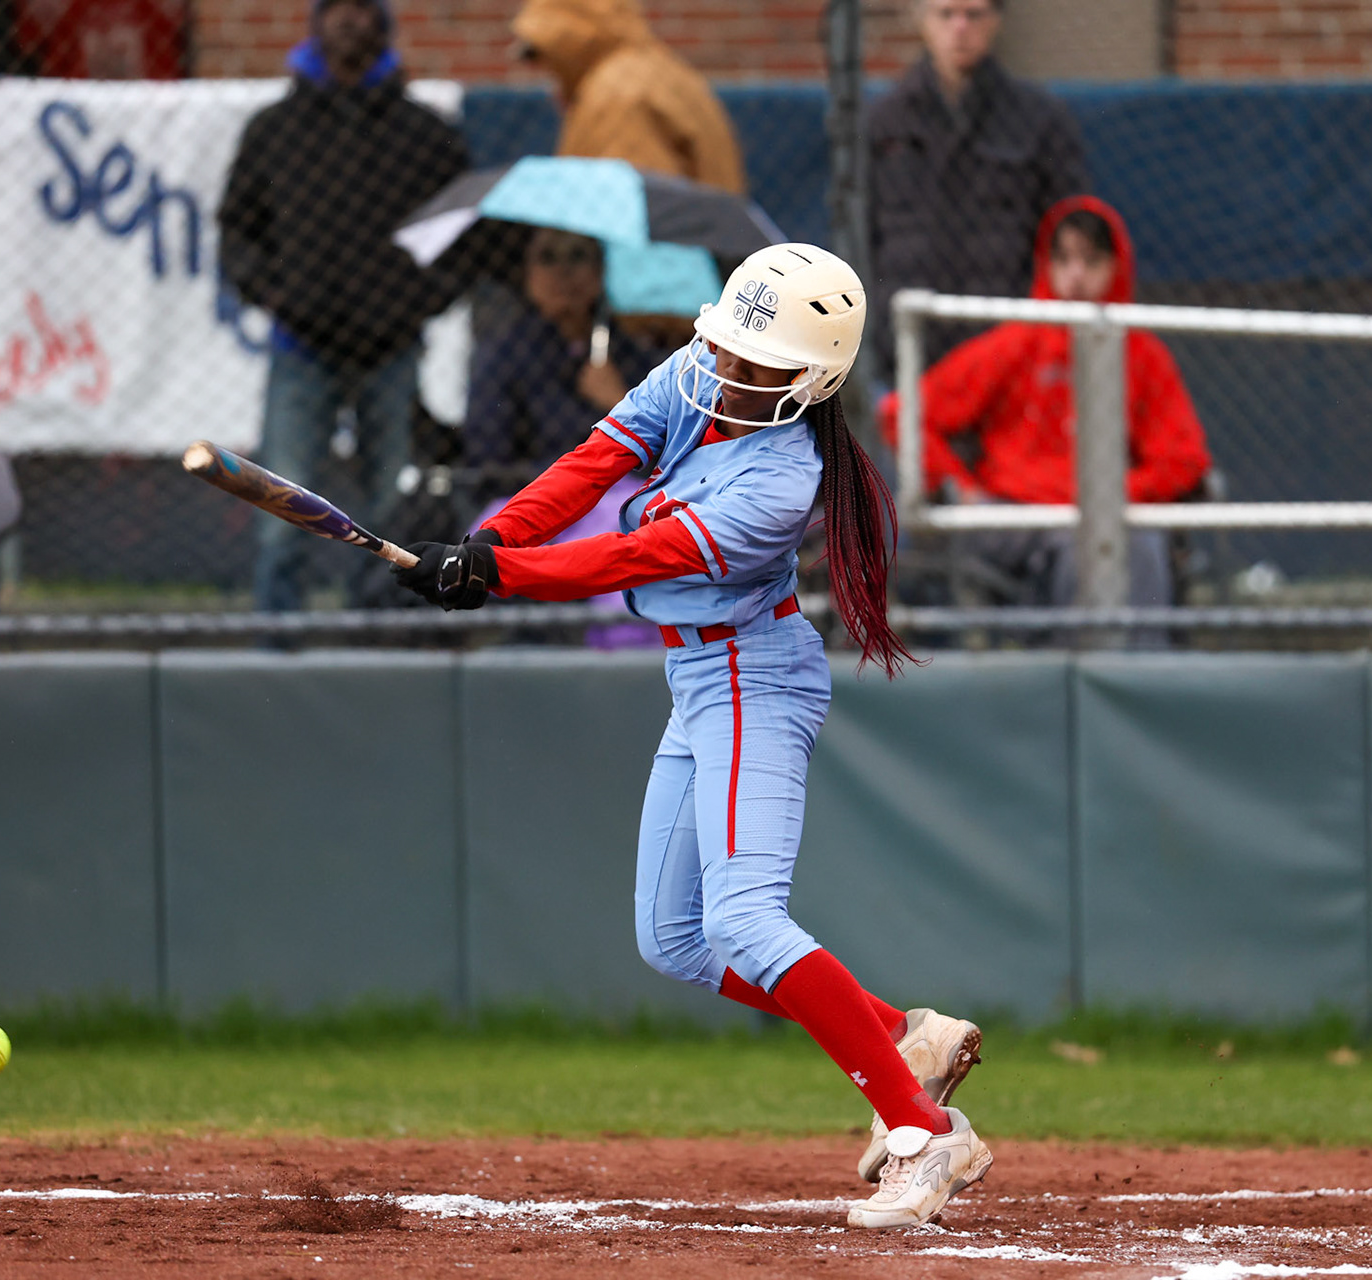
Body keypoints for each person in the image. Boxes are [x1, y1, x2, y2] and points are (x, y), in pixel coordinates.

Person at [391, 243, 992, 1230]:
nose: (730, 367)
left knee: (745, 920)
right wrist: (494, 537)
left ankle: (925, 1134)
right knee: (671, 937)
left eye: (758, 359)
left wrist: (503, 575)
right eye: (729, 344)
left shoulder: (779, 483)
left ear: (809, 382)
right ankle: (903, 1035)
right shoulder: (696, 371)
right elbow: (594, 466)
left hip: (756, 675)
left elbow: (633, 551)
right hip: (698, 675)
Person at [216, 0, 468, 611]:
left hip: (392, 350)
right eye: (337, 8)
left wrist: (417, 304)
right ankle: (277, 654)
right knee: (282, 517)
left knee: (393, 520)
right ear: (316, 22)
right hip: (300, 350)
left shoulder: (425, 133)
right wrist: (272, 293)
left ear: (382, 25)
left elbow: (465, 236)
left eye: (363, 8)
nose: (350, 19)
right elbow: (236, 231)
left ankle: (382, 646)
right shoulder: (274, 129)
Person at [880, 195, 1212, 608]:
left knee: (1132, 543)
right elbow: (901, 412)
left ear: (1116, 266)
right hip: (1012, 516)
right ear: (1046, 264)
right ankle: (1080, 665)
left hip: (1105, 516)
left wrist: (1109, 496)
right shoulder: (1017, 343)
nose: (1075, 275)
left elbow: (1184, 459)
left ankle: (1126, 672)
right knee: (1082, 545)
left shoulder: (1143, 355)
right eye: (1063, 259)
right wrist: (958, 488)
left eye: (1091, 261)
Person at [865, 0, 1087, 384]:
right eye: (946, 14)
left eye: (974, 15)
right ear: (923, 20)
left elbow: (1067, 227)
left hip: (1005, 345)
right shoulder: (884, 121)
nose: (960, 28)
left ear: (996, 21)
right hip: (906, 343)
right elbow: (860, 232)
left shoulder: (1038, 119)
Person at [463, 228, 660, 496]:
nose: (563, 270)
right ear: (528, 274)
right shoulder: (504, 355)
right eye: (547, 257)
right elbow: (488, 461)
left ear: (599, 270)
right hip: (534, 498)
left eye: (577, 256)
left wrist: (619, 402)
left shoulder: (630, 352)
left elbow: (665, 454)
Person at [509, 0, 745, 193]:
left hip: (671, 246)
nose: (548, 75)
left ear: (566, 45)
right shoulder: (659, 68)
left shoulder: (616, 92)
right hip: (708, 239)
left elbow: (632, 205)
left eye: (548, 59)